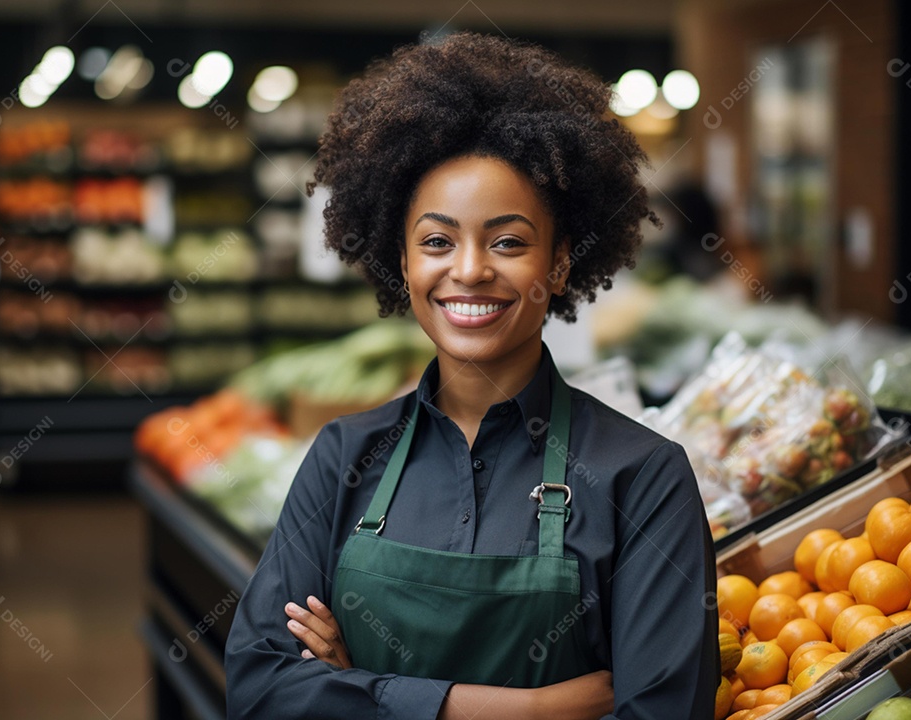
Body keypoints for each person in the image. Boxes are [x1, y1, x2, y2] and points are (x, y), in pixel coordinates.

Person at [225, 31, 719, 720]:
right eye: (436, 241)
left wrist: (357, 688)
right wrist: (530, 709)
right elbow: (260, 689)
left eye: (509, 242)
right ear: (402, 261)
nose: (469, 270)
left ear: (560, 263)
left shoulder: (644, 478)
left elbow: (660, 713)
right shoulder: (343, 458)